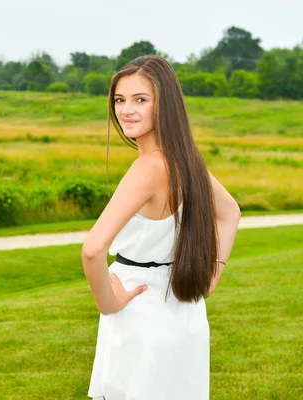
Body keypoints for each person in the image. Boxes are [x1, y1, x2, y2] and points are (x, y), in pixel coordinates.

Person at [82, 55, 241, 400]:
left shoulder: (148, 168)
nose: (126, 110)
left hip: (140, 316)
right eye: (120, 100)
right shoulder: (186, 161)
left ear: (164, 104)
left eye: (141, 99)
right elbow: (230, 213)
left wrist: (108, 303)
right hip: (184, 314)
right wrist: (214, 272)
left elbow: (92, 250)